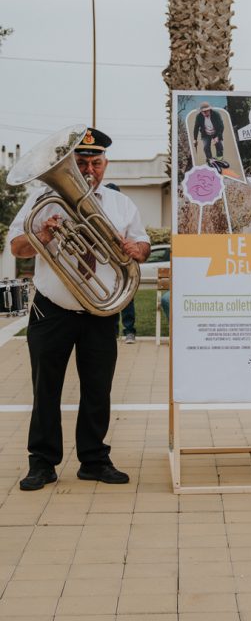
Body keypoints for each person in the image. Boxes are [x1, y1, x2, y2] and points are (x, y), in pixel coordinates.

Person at [9, 128, 151, 490]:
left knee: (97, 388)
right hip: (52, 310)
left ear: (106, 164)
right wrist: (43, 235)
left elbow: (143, 243)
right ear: (71, 163)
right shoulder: (43, 201)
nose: (89, 170)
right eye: (82, 162)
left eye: (96, 162)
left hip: (100, 312)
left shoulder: (120, 204)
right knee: (46, 389)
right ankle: (41, 463)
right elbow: (16, 247)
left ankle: (94, 460)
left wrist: (139, 251)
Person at [106, 182, 137, 344]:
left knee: (127, 300)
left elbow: (134, 240)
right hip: (108, 266)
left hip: (123, 264)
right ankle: (114, 331)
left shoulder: (124, 213)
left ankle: (129, 330)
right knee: (110, 298)